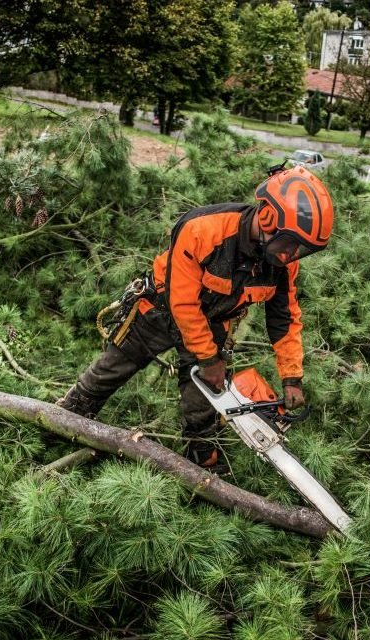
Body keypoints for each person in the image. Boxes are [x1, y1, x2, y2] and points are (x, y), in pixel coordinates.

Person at [59, 165, 334, 469]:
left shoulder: (282, 263)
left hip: (214, 322)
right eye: (289, 244)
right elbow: (183, 304)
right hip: (160, 309)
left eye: (300, 250)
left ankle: (202, 468)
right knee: (109, 371)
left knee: (203, 405)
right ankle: (63, 421)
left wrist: (292, 377)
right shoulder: (204, 230)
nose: (291, 254)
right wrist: (208, 359)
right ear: (268, 217)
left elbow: (284, 320)